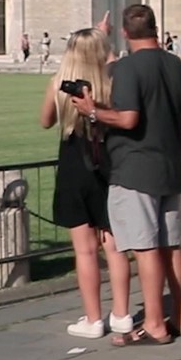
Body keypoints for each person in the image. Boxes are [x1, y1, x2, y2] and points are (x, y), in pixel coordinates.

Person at [71, 4, 181, 345]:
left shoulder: (127, 69)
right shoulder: (176, 65)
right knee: (171, 246)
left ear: (126, 33)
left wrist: (92, 111)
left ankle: (154, 323)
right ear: (156, 27)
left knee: (145, 247)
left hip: (135, 167)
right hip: (169, 164)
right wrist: (176, 148)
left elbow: (128, 119)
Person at [40, 26, 132, 339]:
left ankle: (93, 319)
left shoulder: (60, 83)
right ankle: (121, 313)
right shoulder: (111, 83)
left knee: (85, 250)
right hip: (108, 163)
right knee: (114, 247)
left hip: (73, 165)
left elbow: (45, 121)